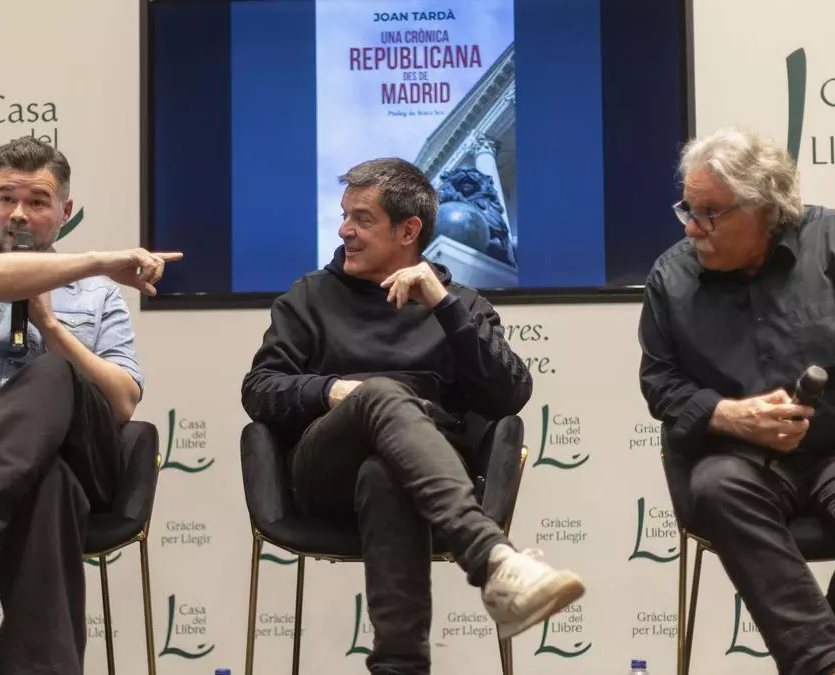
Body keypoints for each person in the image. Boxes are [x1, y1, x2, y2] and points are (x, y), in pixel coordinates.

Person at [241, 157, 584, 675]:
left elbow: (509, 395)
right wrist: (333, 391)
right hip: (324, 475)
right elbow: (259, 389)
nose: (344, 230)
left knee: (386, 472)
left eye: (361, 219)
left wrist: (444, 307)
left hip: (424, 483)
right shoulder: (308, 298)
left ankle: (400, 667)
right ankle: (491, 557)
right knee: (378, 394)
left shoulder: (460, 304)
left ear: (408, 231)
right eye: (344, 216)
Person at [638, 128, 835, 675]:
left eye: (710, 214)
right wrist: (728, 415)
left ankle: (824, 655)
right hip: (743, 456)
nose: (691, 227)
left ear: (765, 207)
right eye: (687, 209)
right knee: (715, 488)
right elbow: (659, 381)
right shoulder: (671, 276)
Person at [0, 136, 181, 674]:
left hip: (83, 455)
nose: (18, 214)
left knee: (53, 370)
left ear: (65, 212)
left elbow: (122, 402)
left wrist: (51, 327)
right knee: (46, 485)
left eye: (36, 201)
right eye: (6, 198)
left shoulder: (98, 295)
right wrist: (98, 261)